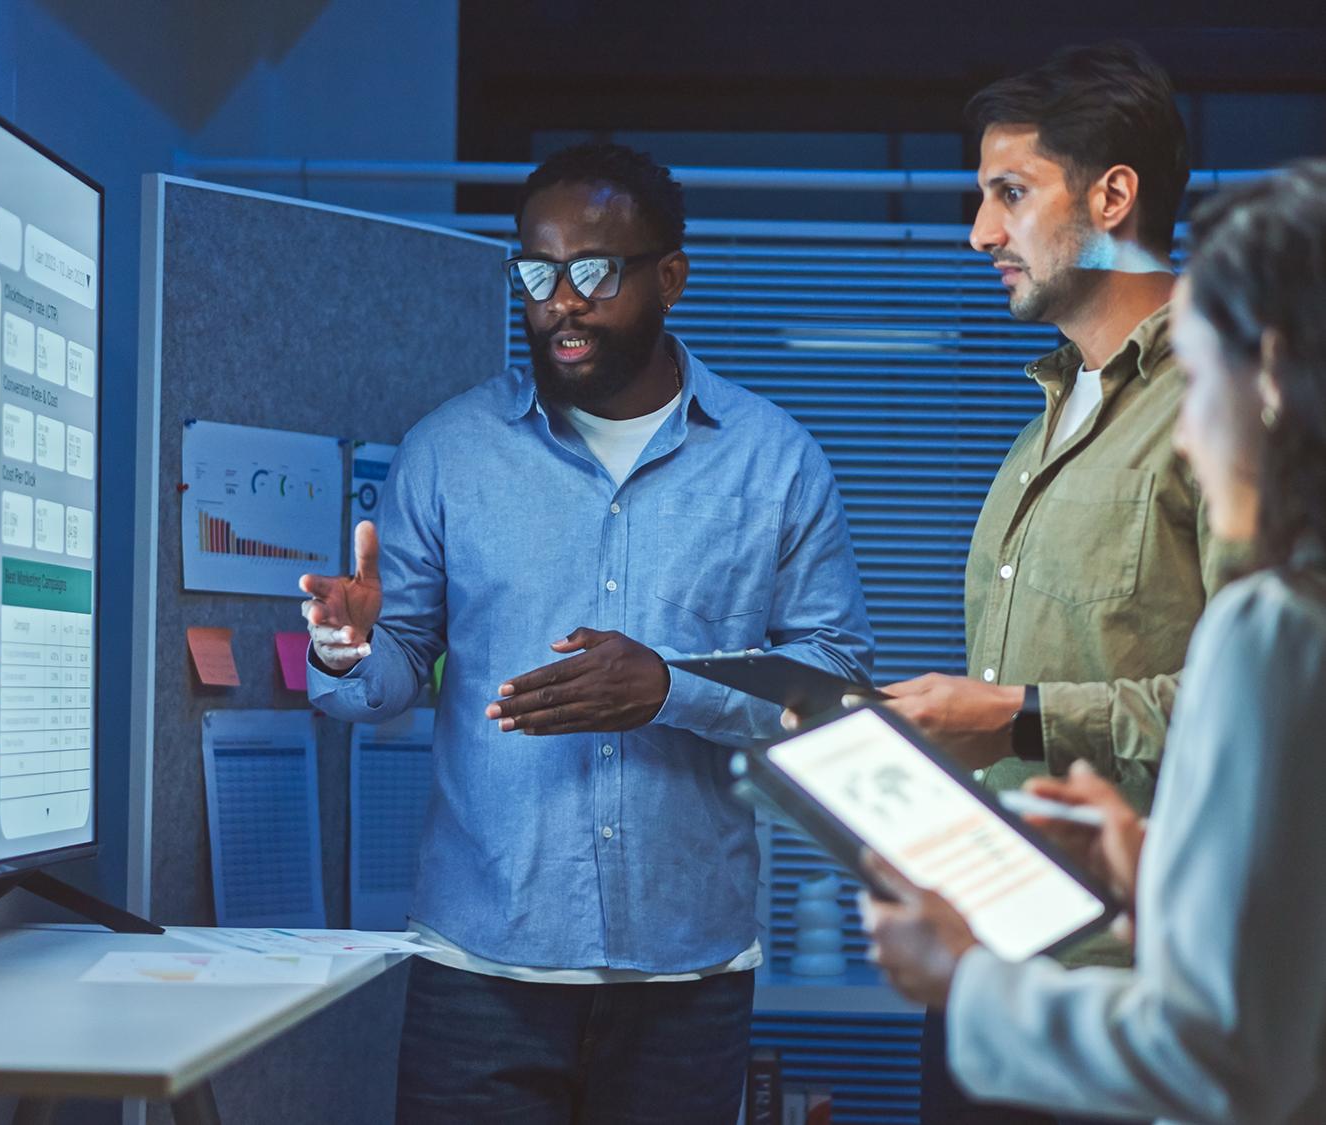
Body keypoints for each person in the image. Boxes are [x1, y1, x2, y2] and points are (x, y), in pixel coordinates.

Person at [300, 142, 873, 1124]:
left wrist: (669, 688)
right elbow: (388, 676)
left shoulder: (774, 464)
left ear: (671, 276)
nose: (558, 299)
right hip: (481, 970)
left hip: (685, 977)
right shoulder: (450, 453)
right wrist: (346, 645)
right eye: (536, 269)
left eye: (594, 271)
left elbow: (835, 686)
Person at [862, 158, 1326, 1125]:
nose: (1188, 436)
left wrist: (963, 976)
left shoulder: (1280, 628)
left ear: (1274, 377)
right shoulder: (1041, 430)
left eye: (1199, 380)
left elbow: (1225, 1059)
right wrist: (1159, 868)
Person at [816, 42, 1225, 1125]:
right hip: (992, 963)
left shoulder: (1227, 412)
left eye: (1009, 193)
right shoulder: (1047, 419)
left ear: (1112, 196)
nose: (978, 233)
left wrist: (1019, 716)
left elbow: (1272, 710)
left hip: (1131, 993)